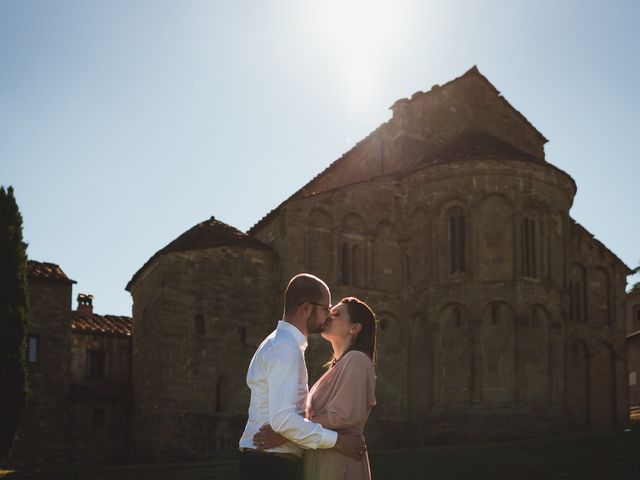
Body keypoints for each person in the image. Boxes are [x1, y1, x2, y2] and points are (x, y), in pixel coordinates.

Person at [238, 274, 365, 480]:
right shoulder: (286, 348)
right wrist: (340, 442)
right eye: (325, 309)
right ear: (306, 308)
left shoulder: (280, 343)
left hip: (269, 463)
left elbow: (283, 422)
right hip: (269, 466)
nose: (329, 316)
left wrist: (285, 434)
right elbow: (283, 421)